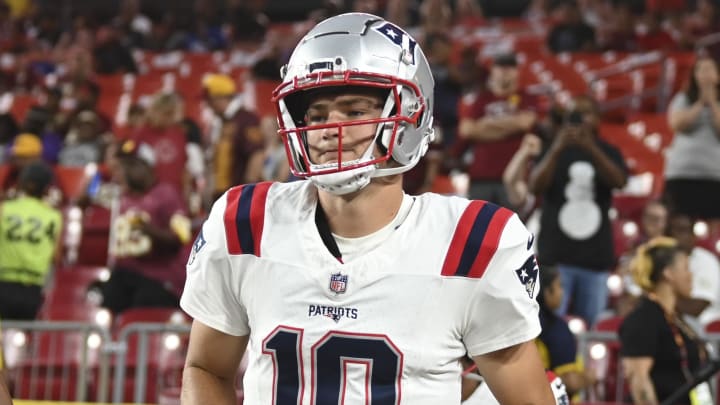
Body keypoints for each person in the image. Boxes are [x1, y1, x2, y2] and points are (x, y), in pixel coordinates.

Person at [181, 12, 555, 404]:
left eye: (355, 111)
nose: (328, 129)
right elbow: (206, 367)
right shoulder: (246, 223)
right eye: (317, 114)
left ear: (409, 116)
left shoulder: (472, 244)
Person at [529, 95, 628, 328]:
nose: (580, 119)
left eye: (586, 113)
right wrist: (556, 148)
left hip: (595, 259)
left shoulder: (608, 151)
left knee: (593, 328)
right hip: (556, 258)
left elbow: (619, 181)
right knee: (546, 324)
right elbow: (535, 186)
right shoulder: (553, 148)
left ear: (597, 119)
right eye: (574, 114)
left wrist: (590, 148)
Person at [101, 139, 191, 315]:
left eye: (125, 168)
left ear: (144, 168)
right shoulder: (122, 197)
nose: (118, 174)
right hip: (124, 274)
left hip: (158, 277)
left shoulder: (167, 194)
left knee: (143, 306)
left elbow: (182, 237)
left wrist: (149, 230)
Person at [619, 237, 709, 404]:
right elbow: (639, 379)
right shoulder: (644, 319)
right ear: (668, 273)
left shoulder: (675, 319)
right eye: (686, 269)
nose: (691, 276)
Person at [454, 52, 541, 208]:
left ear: (517, 71)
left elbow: (524, 123)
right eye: (500, 67)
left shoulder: (527, 97)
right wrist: (510, 126)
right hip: (481, 175)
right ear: (493, 70)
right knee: (479, 227)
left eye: (510, 67)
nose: (505, 71)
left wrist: (485, 125)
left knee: (512, 226)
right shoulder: (482, 98)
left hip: (514, 176)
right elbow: (466, 130)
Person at [0, 162, 62, 320]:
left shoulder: (5, 209)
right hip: (33, 287)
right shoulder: (54, 216)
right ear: (47, 188)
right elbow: (57, 257)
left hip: (4, 282)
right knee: (27, 338)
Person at [664, 54, 720, 221]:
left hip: (714, 175)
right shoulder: (683, 99)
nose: (705, 74)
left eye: (710, 69)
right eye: (701, 70)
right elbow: (676, 124)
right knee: (679, 221)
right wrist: (700, 103)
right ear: (694, 75)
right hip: (682, 173)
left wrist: (712, 104)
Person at [536, 265, 596, 397]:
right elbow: (570, 382)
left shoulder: (518, 322)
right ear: (546, 291)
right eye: (559, 286)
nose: (562, 292)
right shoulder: (557, 328)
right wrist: (589, 377)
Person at [667, 213, 720, 329]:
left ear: (692, 235)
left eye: (682, 230)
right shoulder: (661, 260)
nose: (675, 236)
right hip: (670, 328)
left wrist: (661, 296)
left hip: (706, 332)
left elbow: (695, 308)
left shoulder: (706, 261)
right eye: (671, 231)